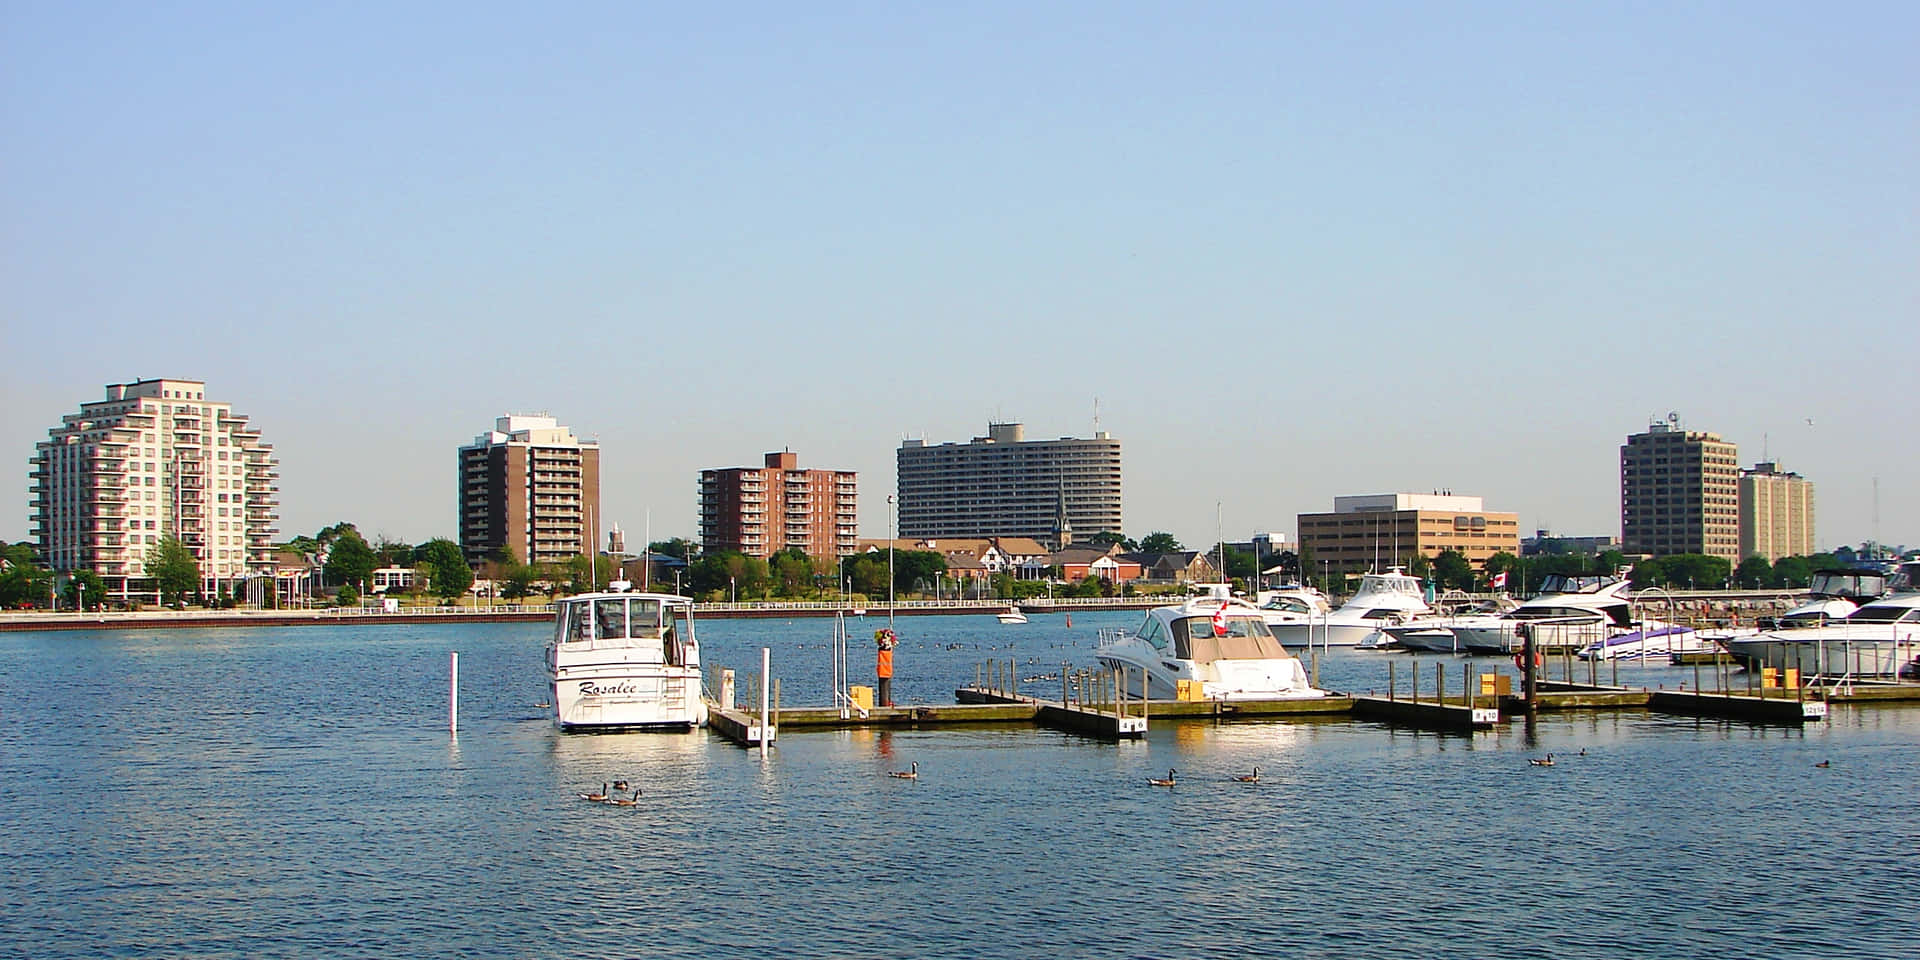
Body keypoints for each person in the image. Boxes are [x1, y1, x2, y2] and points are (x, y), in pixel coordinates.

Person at [874, 627, 897, 707]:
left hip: (884, 672)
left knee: (885, 689)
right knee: (884, 690)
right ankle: (885, 704)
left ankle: (885, 704)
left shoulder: (885, 650)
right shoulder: (883, 650)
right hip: (884, 672)